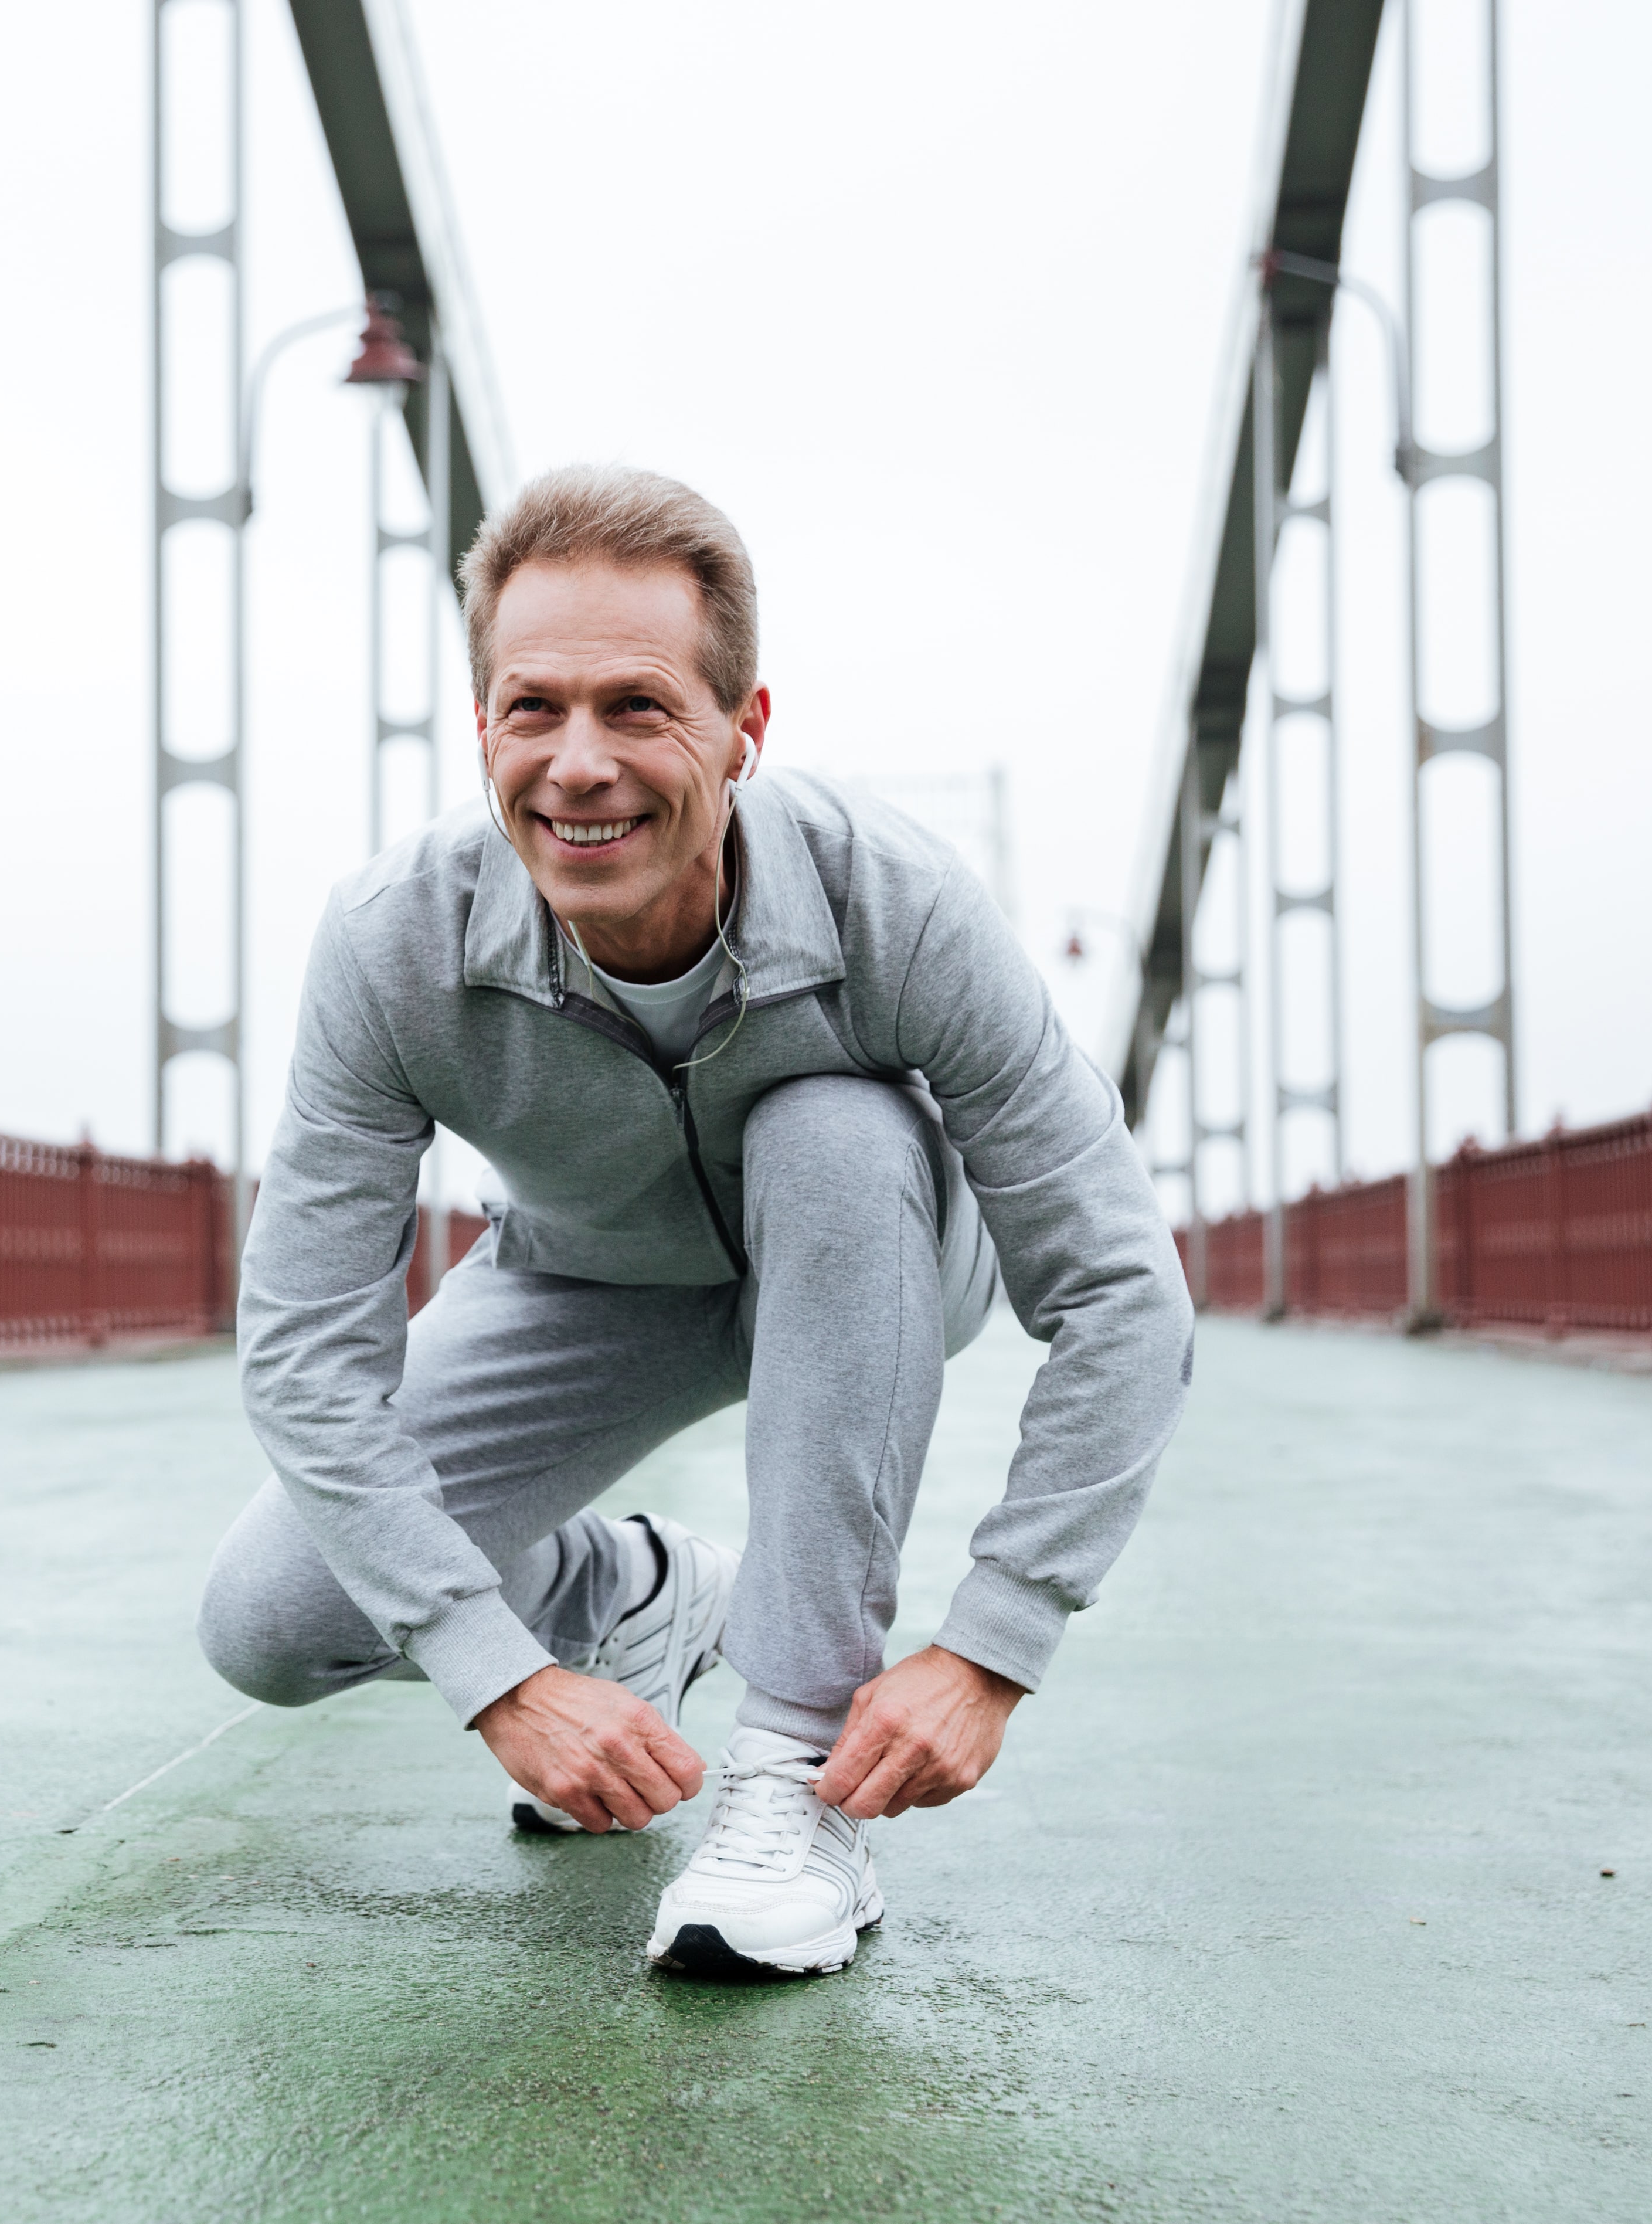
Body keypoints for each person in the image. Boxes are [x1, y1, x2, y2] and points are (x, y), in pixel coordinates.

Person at [199, 465, 1191, 1978]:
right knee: (268, 1619)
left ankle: (792, 1776)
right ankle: (639, 1597)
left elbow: (1122, 1292)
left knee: (835, 1126)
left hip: (878, 1247)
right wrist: (500, 1674)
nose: (577, 763)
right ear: (482, 729)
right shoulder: (390, 941)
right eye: (532, 709)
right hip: (594, 1276)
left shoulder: (898, 901)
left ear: (744, 730)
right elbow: (305, 1362)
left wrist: (997, 1639)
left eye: (637, 707)